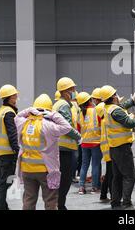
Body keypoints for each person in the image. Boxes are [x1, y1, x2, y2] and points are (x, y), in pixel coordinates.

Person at [15, 94, 81, 210]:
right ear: (48, 110)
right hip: (46, 171)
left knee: (29, 200)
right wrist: (54, 114)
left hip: (27, 169)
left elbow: (17, 116)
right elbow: (66, 127)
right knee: (50, 201)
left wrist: (29, 110)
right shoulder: (49, 126)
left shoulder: (23, 123)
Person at [99, 85, 135, 210]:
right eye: (115, 94)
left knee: (117, 177)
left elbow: (121, 108)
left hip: (114, 148)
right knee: (129, 176)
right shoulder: (115, 111)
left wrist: (132, 101)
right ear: (112, 97)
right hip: (122, 148)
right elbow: (129, 123)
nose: (118, 96)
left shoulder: (108, 108)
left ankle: (115, 203)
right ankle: (127, 204)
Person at [0, 84, 20, 210]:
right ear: (10, 97)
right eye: (15, 95)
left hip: (0, 153)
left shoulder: (1, 110)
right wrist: (18, 151)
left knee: (3, 182)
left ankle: (3, 206)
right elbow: (13, 135)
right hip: (7, 154)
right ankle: (1, 207)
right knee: (5, 182)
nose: (16, 97)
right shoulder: (9, 113)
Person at [52, 77, 80, 210]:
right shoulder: (63, 105)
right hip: (64, 148)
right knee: (65, 180)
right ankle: (60, 206)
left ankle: (59, 204)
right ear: (65, 91)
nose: (74, 91)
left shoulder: (59, 104)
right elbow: (67, 126)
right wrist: (78, 137)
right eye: (72, 89)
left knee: (62, 179)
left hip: (61, 147)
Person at [76, 92, 102, 195]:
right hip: (96, 142)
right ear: (90, 100)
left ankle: (81, 187)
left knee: (84, 165)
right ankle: (94, 188)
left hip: (84, 143)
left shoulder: (79, 114)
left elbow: (78, 129)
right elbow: (102, 125)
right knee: (95, 165)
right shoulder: (96, 111)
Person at [92, 88, 111, 203]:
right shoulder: (103, 109)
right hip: (109, 144)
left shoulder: (97, 110)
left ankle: (104, 194)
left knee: (110, 171)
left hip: (103, 143)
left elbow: (96, 128)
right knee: (111, 173)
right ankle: (107, 195)